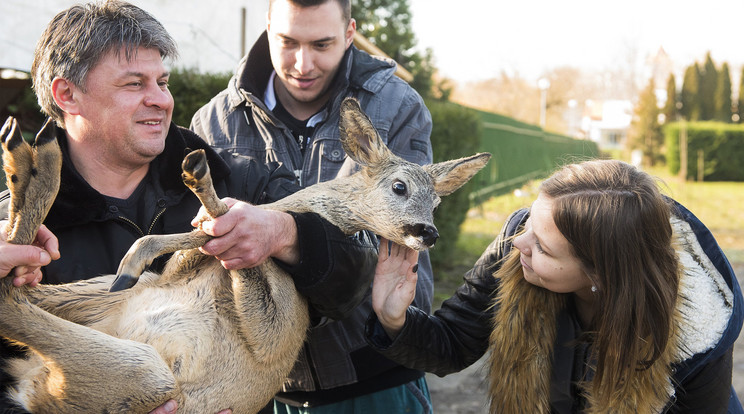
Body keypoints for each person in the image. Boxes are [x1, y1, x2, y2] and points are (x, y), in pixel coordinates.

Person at [0, 1, 378, 413]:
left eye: (162, 82)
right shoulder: (16, 232)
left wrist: (285, 233)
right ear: (67, 94)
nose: (160, 100)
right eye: (134, 84)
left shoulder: (240, 181)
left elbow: (353, 279)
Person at [191, 0, 434, 412]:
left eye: (322, 44)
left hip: (377, 381)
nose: (303, 64)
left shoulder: (396, 109)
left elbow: (398, 239)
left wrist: (286, 235)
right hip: (259, 389)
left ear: (351, 33)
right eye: (288, 42)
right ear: (268, 28)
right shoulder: (214, 122)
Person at [367, 159, 744, 413]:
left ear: (600, 274)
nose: (518, 244)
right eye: (528, 223)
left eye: (542, 247)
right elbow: (453, 343)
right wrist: (394, 317)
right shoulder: (522, 240)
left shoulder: (699, 332)